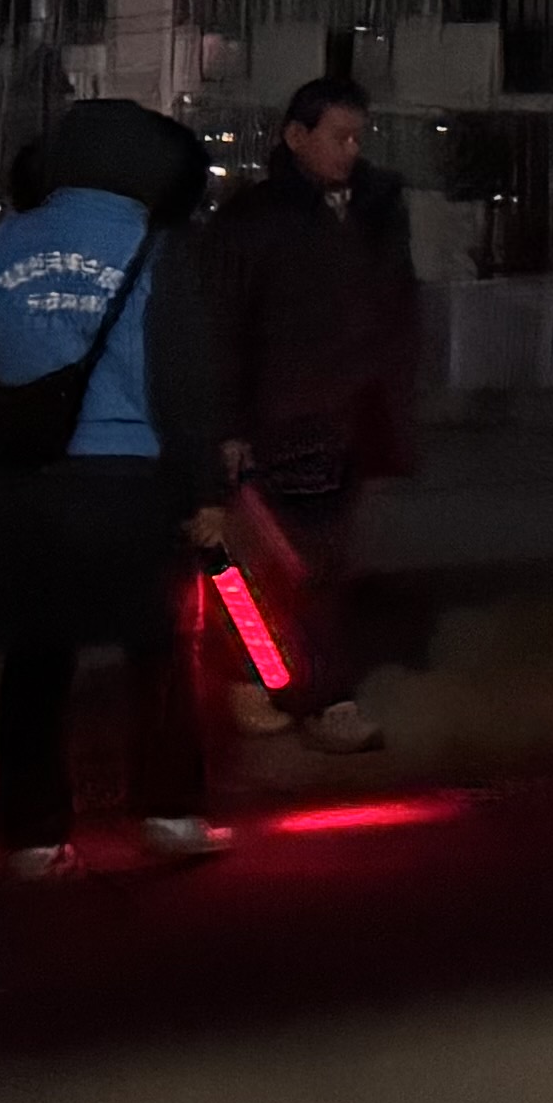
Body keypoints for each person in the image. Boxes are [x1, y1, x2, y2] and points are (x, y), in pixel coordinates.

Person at [0, 96, 222, 877]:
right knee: (161, 651)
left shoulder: (0, 245)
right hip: (133, 479)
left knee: (36, 659)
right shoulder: (157, 246)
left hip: (30, 485)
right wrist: (205, 490)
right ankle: (169, 812)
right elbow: (185, 380)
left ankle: (34, 835)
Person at [187, 76, 428, 751]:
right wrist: (228, 427)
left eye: (358, 137)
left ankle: (282, 687)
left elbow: (396, 311)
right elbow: (224, 329)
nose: (351, 150)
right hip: (280, 420)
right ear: (297, 136)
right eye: (339, 136)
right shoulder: (254, 221)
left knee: (310, 565)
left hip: (348, 417)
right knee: (270, 569)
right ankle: (298, 691)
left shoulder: (375, 210)